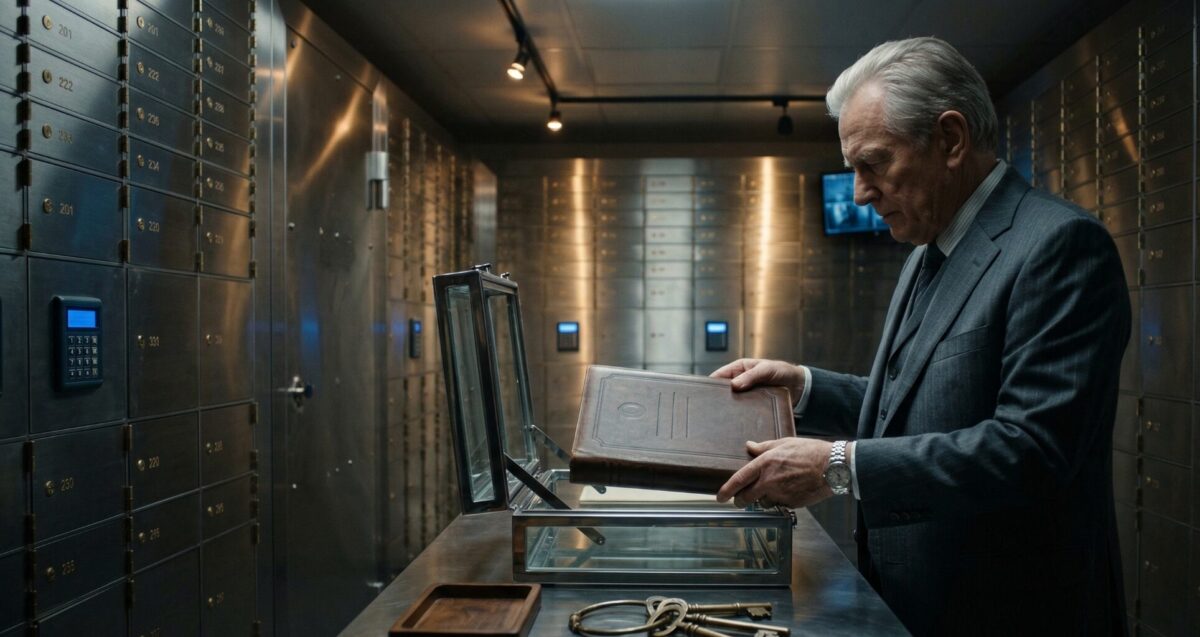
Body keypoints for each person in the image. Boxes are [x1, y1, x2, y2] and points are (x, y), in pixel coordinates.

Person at [712, 37, 1130, 636]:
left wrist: (838, 466)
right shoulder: (926, 252)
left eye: (874, 164)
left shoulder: (1059, 246)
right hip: (920, 607)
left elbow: (1032, 450)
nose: (860, 192)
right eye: (853, 170)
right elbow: (919, 406)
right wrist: (803, 387)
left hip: (1012, 614)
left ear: (951, 140)